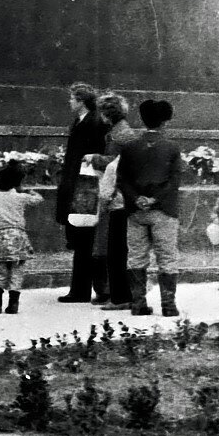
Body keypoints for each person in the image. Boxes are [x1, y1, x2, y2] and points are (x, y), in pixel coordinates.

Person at [119, 98, 184, 317]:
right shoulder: (172, 147)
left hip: (136, 210)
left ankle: (138, 303)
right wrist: (154, 199)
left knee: (136, 256)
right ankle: (168, 305)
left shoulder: (130, 147)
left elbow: (122, 179)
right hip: (163, 210)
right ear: (165, 121)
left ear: (143, 119)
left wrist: (137, 198)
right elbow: (174, 181)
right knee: (167, 257)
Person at [54, 83, 108, 303]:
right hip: (80, 183)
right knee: (81, 237)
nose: (69, 102)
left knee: (84, 237)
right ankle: (82, 289)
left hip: (85, 185)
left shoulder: (92, 123)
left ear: (81, 101)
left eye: (72, 98)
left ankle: (81, 290)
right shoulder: (82, 121)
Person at [0, 160, 38, 315]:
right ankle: (13, 305)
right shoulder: (21, 197)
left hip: (1, 236)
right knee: (17, 271)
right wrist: (29, 191)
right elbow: (38, 199)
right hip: (19, 237)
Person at [92, 93, 134, 307]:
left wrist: (94, 159)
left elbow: (114, 163)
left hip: (115, 195)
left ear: (107, 114)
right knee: (109, 244)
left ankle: (112, 292)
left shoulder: (119, 136)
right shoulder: (121, 132)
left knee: (111, 245)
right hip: (118, 194)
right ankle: (108, 290)